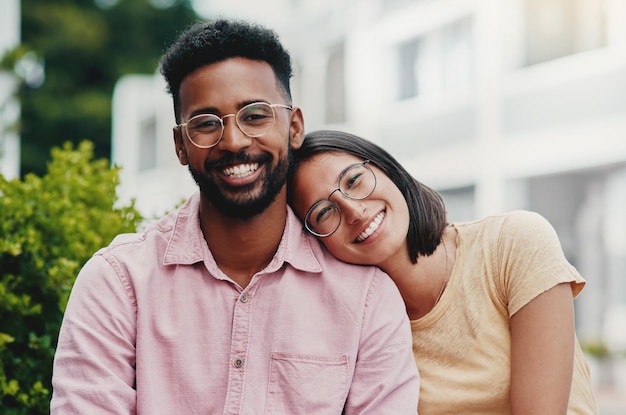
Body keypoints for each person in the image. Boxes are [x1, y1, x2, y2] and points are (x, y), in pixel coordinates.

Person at [50, 20, 419, 414]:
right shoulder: (118, 284)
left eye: (255, 115)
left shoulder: (365, 299)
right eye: (206, 123)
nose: (234, 141)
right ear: (179, 145)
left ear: (294, 128)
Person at [289, 129, 599, 414]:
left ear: (388, 170)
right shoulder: (359, 328)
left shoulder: (514, 242)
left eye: (354, 181)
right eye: (324, 212)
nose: (355, 211)